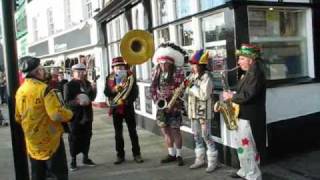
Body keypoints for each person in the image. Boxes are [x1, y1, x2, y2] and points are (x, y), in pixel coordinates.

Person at [15, 56, 73, 180]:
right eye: (41, 69)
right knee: (59, 174)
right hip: (51, 142)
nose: (43, 71)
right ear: (36, 72)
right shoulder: (45, 89)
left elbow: (18, 117)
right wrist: (69, 114)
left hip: (32, 143)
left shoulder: (20, 91)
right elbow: (56, 115)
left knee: (37, 175)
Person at [222, 44, 266, 180]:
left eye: (241, 58)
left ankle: (253, 175)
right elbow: (243, 90)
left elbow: (249, 94)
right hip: (242, 115)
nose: (238, 62)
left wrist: (231, 96)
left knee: (249, 148)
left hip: (249, 116)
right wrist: (233, 91)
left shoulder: (255, 73)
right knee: (242, 145)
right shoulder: (248, 73)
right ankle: (244, 170)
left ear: (250, 59)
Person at [150, 43, 186, 166]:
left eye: (165, 63)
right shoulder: (155, 72)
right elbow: (152, 88)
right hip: (161, 107)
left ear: (171, 63)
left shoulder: (178, 72)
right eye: (160, 63)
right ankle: (171, 153)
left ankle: (179, 155)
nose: (163, 65)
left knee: (176, 131)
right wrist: (157, 100)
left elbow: (182, 89)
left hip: (174, 106)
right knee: (165, 131)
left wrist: (173, 99)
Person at [104, 57, 143, 165]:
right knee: (118, 133)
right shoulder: (109, 77)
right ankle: (120, 155)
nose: (119, 69)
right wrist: (114, 90)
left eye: (121, 66)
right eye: (116, 67)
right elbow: (106, 92)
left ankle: (137, 154)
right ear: (113, 68)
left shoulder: (130, 76)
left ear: (124, 67)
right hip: (116, 108)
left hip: (128, 107)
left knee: (132, 132)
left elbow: (135, 92)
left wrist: (127, 101)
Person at [186, 49, 218, 173]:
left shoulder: (207, 78)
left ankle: (212, 162)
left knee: (206, 136)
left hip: (203, 112)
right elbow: (189, 92)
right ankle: (200, 160)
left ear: (201, 66)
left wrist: (192, 87)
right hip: (194, 111)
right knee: (196, 135)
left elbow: (204, 95)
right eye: (192, 65)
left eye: (195, 65)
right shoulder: (193, 76)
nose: (192, 67)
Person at [64, 63, 97, 171]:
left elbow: (91, 98)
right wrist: (77, 102)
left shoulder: (87, 83)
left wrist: (93, 89)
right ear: (73, 73)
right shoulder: (68, 85)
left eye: (82, 71)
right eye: (78, 72)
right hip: (75, 117)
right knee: (74, 138)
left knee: (87, 136)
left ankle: (85, 158)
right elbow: (67, 102)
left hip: (87, 115)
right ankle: (73, 160)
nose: (81, 74)